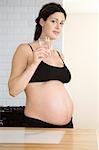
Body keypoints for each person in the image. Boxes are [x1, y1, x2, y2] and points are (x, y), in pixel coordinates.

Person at [8, 2, 74, 128]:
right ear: (42, 22)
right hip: (39, 125)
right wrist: (34, 64)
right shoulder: (25, 49)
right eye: (54, 21)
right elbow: (13, 90)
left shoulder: (59, 55)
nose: (58, 27)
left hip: (67, 125)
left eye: (61, 23)